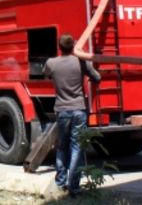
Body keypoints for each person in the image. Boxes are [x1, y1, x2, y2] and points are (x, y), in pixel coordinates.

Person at [43, 34, 101, 197]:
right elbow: (97, 78)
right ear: (73, 45)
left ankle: (60, 182)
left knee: (62, 147)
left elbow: (45, 73)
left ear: (59, 47)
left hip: (62, 110)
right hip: (79, 109)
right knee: (77, 147)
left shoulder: (52, 63)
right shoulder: (81, 62)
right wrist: (83, 55)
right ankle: (74, 186)